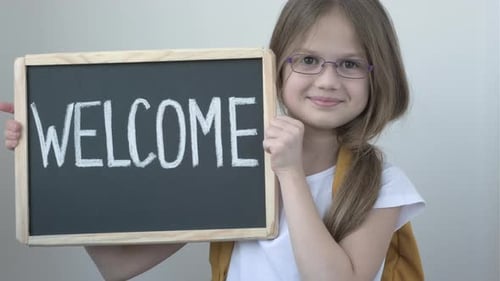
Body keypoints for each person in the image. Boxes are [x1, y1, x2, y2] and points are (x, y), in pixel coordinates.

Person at [1, 0, 425, 280]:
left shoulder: (378, 181)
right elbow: (117, 265)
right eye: (309, 60)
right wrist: (57, 160)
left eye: (350, 64)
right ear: (277, 65)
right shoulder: (228, 161)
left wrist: (290, 175)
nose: (328, 80)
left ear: (378, 75)